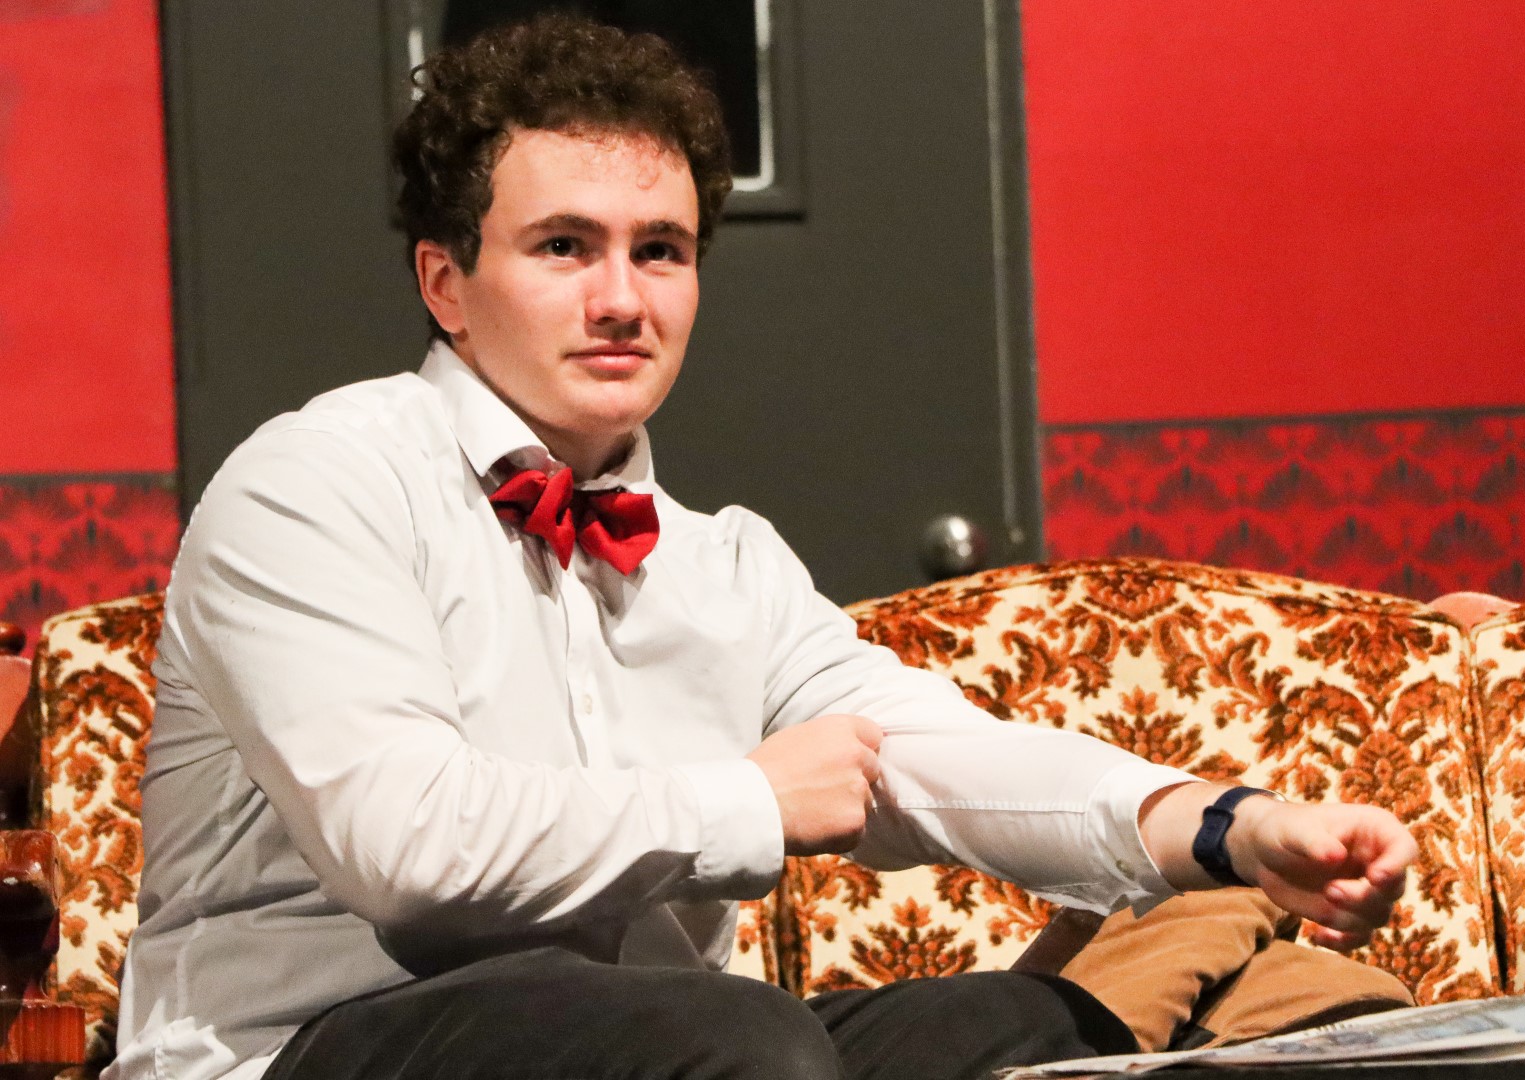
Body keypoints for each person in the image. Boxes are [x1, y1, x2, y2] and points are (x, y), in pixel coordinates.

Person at [106, 14, 1416, 1080]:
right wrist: (745, 800)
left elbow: (939, 756)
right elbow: (405, 848)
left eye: (660, 252)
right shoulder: (317, 481)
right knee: (743, 1039)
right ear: (445, 282)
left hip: (678, 1050)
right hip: (306, 1047)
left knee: (1038, 1032)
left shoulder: (722, 564)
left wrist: (1227, 827)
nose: (621, 299)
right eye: (563, 248)